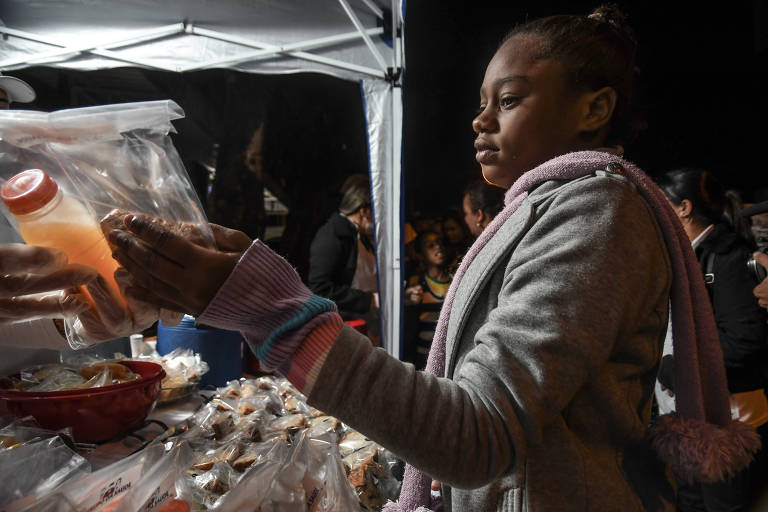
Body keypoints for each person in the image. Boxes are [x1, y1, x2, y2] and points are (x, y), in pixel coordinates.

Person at [108, 6, 757, 511]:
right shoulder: (548, 210)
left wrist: (275, 312)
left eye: (509, 100)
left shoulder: (597, 211)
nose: (481, 121)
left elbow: (478, 434)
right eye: (481, 103)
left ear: (594, 109)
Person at [655, 169, 768, 511]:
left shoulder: (727, 257)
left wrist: (676, 370)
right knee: (689, 505)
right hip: (684, 419)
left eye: (661, 202)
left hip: (726, 424)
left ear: (684, 207)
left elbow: (743, 342)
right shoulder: (682, 256)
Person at [307, 174, 379, 340]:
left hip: (367, 322)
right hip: (346, 326)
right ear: (363, 211)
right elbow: (320, 288)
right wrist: (369, 300)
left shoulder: (359, 236)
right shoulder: (332, 234)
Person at [407, 231, 452, 369]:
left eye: (439, 242)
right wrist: (408, 301)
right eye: (430, 245)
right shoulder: (417, 284)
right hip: (424, 357)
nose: (438, 247)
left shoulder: (455, 281)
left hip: (450, 356)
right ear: (421, 254)